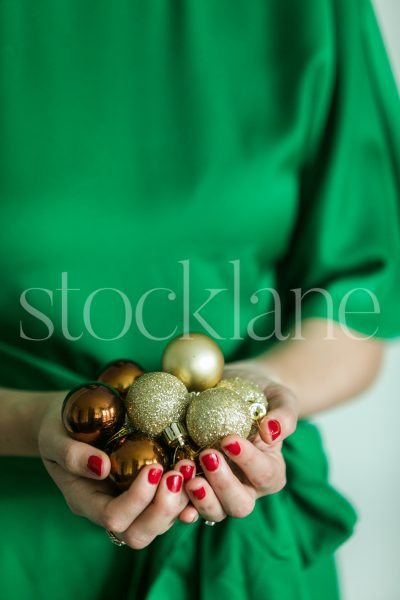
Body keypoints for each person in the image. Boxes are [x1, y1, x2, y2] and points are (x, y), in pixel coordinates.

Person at [0, 0, 399, 598]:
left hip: (248, 559)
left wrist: (256, 396)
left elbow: (358, 310)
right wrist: (33, 421)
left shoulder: (316, 11)